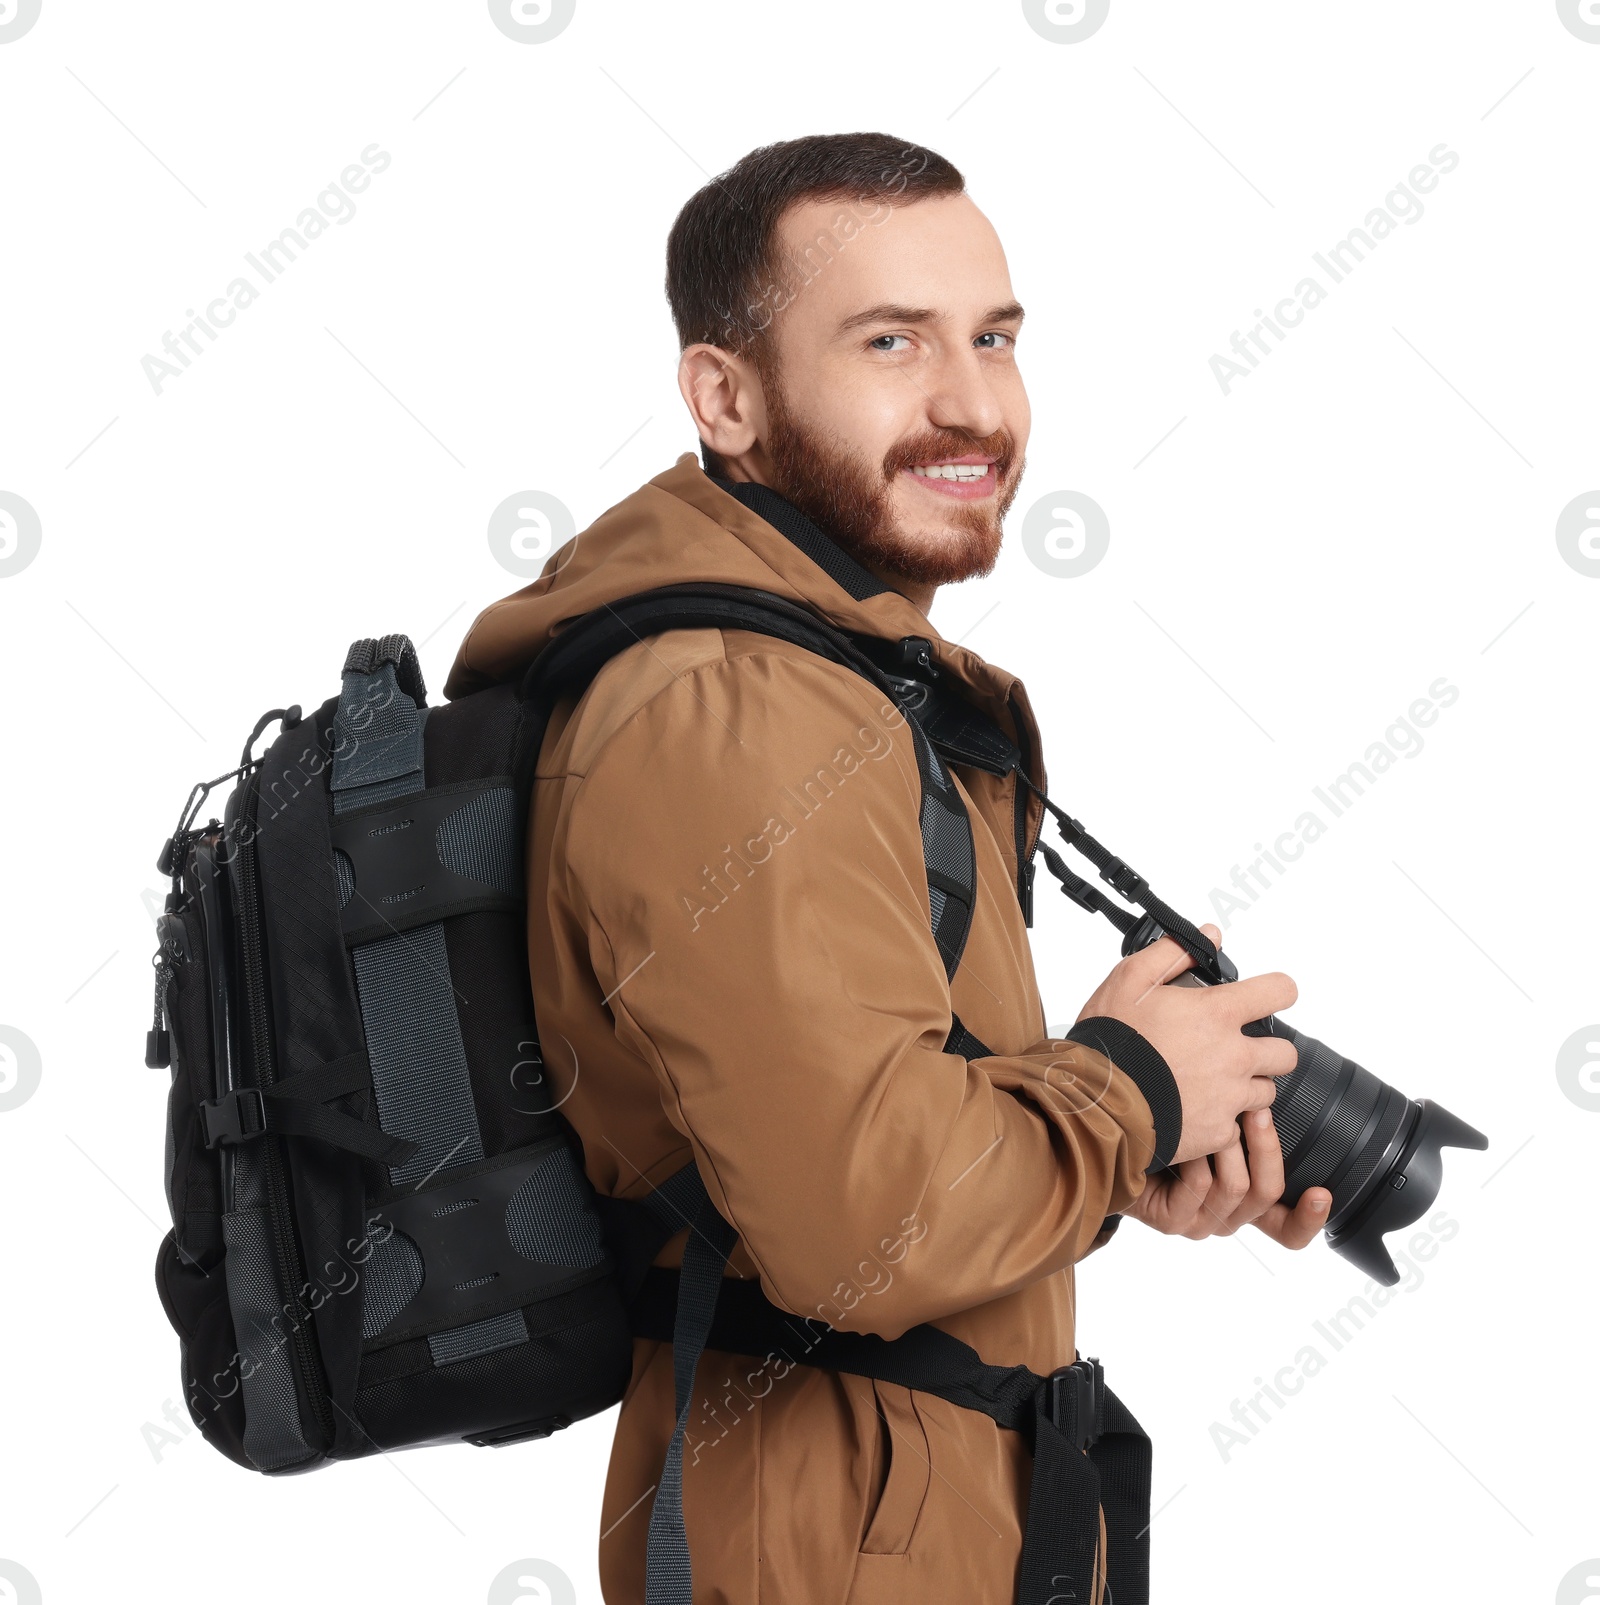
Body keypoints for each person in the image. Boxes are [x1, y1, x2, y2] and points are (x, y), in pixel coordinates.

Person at [445, 131, 1332, 1605]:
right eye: (889, 342)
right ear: (725, 396)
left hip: (902, 1519)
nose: (972, 401)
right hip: (840, 1547)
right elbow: (863, 1223)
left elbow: (851, 1137)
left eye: (993, 337)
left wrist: (1117, 1161)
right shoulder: (732, 709)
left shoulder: (834, 681)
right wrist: (1124, 1085)